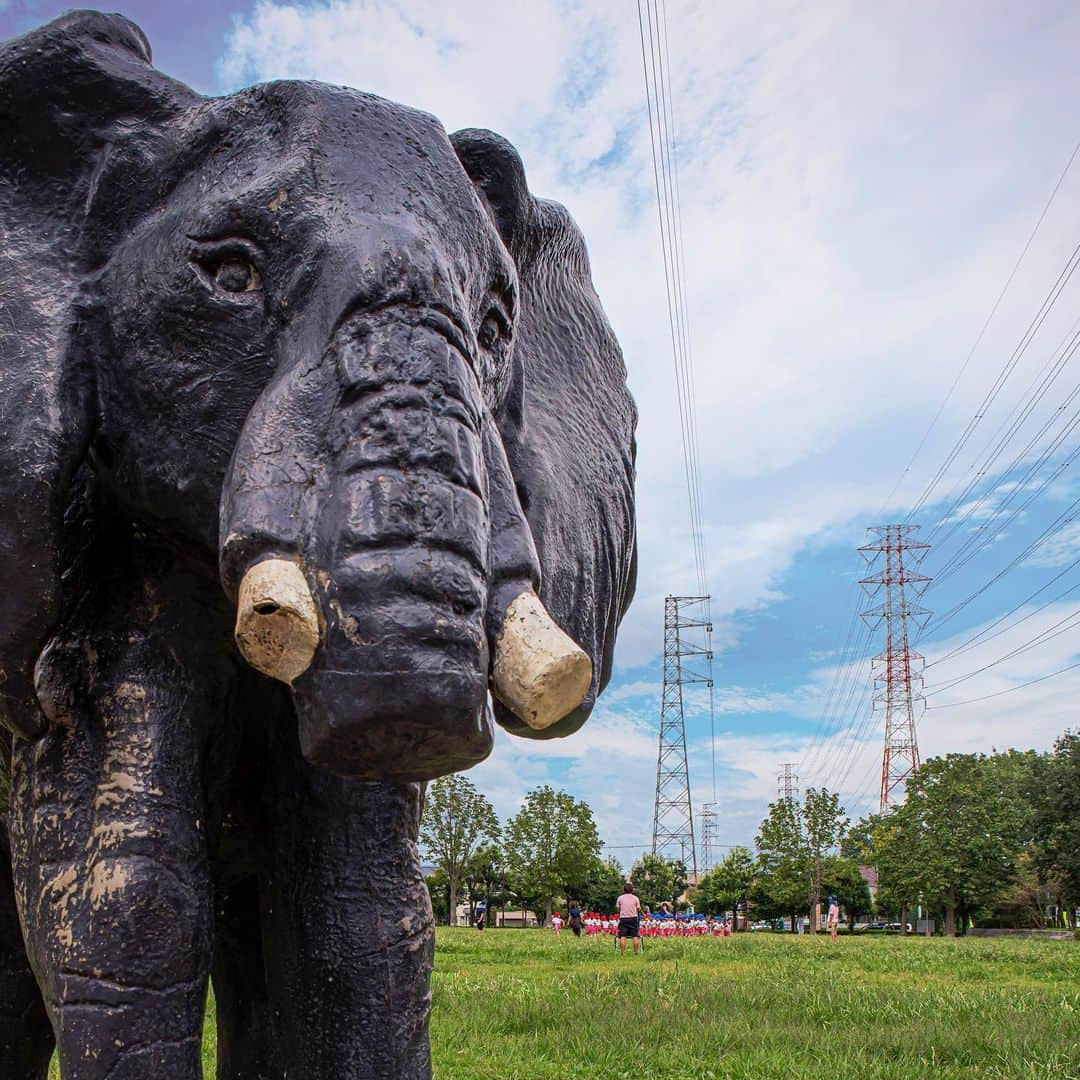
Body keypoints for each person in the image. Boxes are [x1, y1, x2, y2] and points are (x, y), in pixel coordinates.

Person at [615, 881, 644, 955]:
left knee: (623, 936)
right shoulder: (635, 898)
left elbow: (618, 909)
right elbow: (638, 908)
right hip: (633, 918)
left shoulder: (620, 898)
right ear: (632, 890)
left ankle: (622, 953)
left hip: (623, 918)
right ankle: (636, 952)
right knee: (635, 936)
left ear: (624, 890)